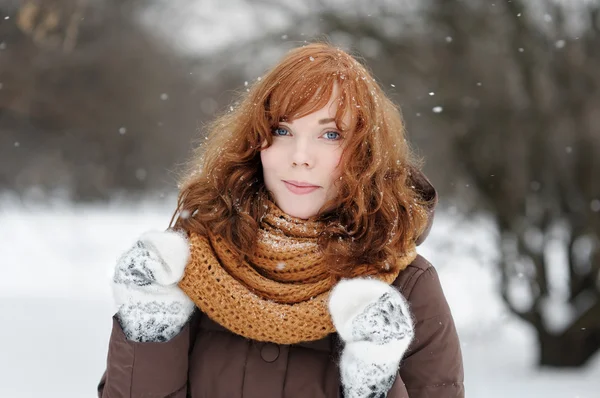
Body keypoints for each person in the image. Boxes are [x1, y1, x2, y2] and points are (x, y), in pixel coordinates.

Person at [98, 42, 464, 398]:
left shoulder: (408, 285)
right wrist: (149, 327)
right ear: (256, 141)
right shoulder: (188, 262)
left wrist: (374, 382)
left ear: (365, 153)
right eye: (282, 130)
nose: (300, 156)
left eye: (331, 134)